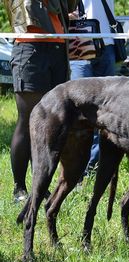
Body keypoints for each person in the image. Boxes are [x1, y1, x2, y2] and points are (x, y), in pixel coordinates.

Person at [5, 0, 77, 202]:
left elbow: (70, 6)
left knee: (53, 124)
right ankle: (19, 188)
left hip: (58, 47)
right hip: (30, 48)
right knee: (27, 120)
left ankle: (42, 186)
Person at [69, 0, 117, 177]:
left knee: (107, 111)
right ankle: (76, 170)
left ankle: (96, 167)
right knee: (81, 110)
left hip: (107, 44)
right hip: (80, 42)